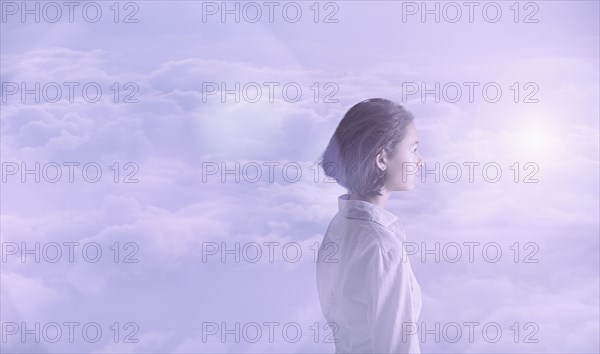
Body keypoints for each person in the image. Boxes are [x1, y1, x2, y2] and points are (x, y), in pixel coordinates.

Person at [316, 98, 424, 353]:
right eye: (414, 148)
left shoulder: (340, 225)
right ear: (382, 158)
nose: (420, 160)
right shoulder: (382, 247)